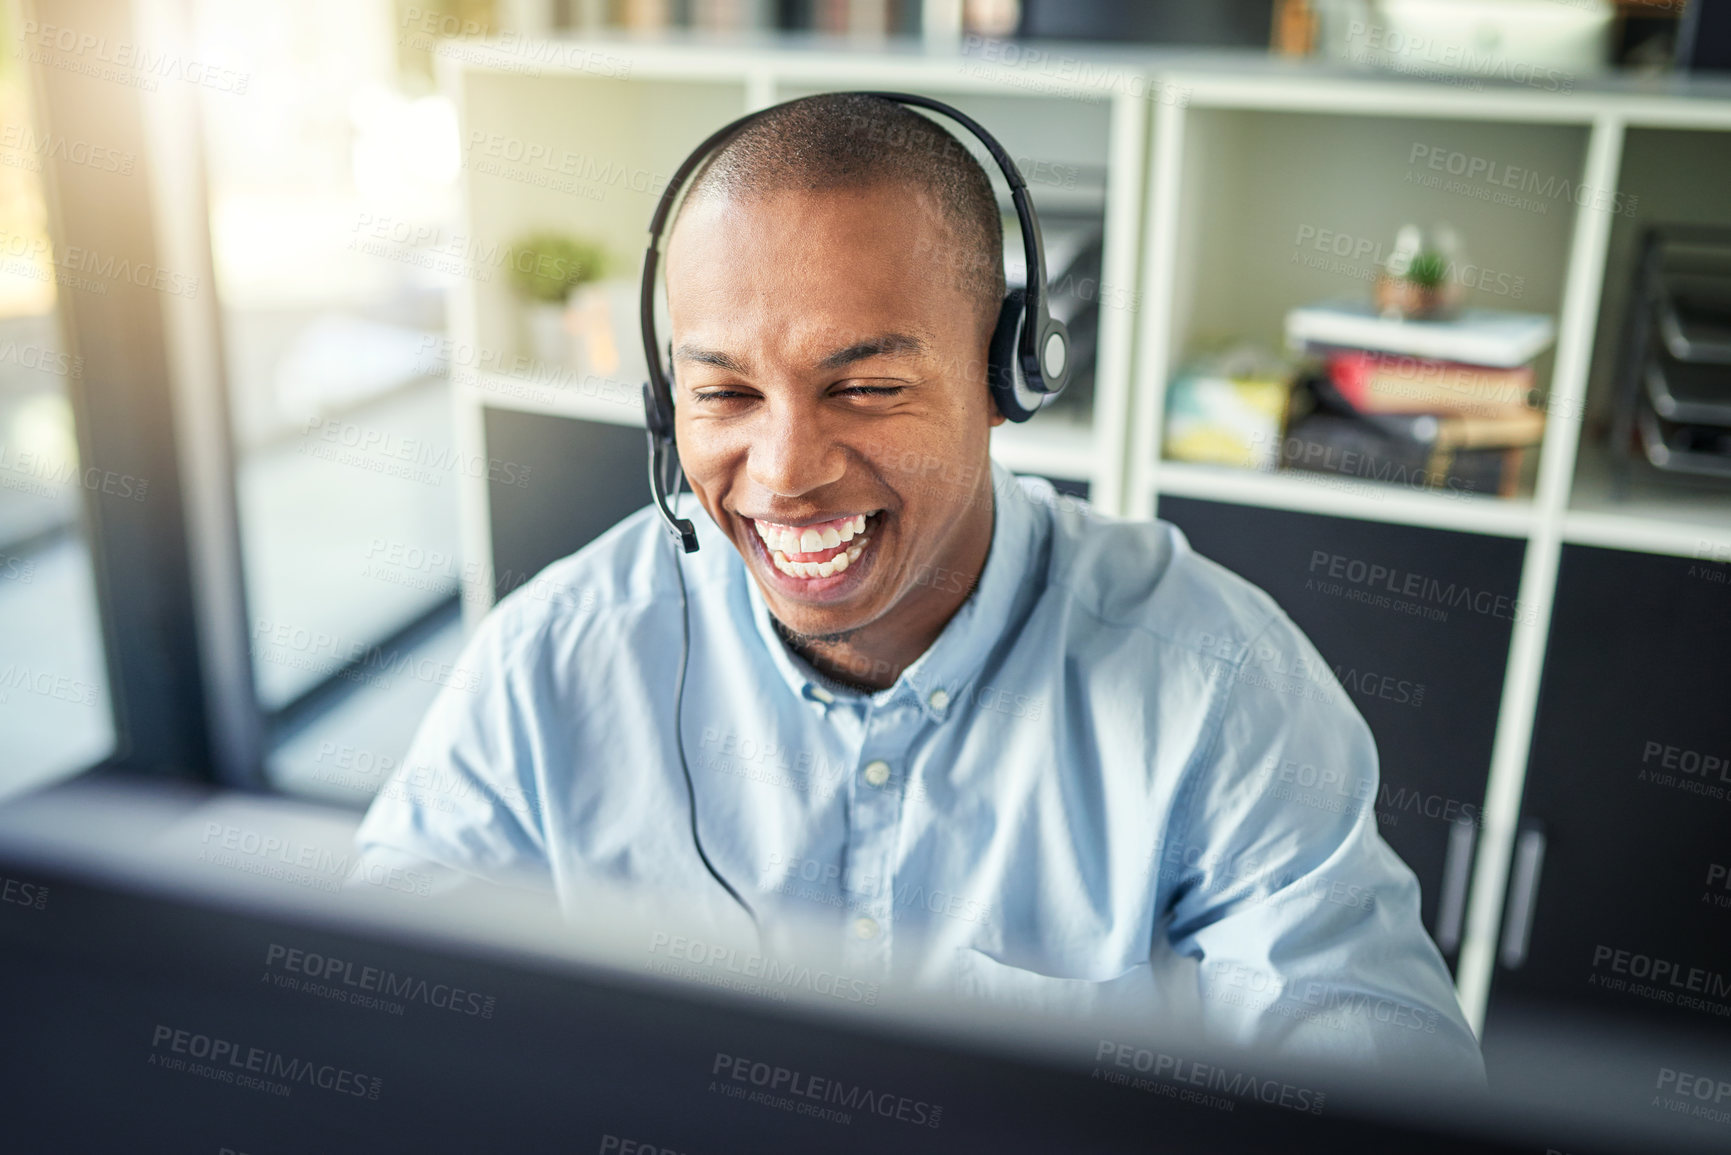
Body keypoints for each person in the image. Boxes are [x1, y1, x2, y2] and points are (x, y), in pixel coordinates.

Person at [353, 93, 1482, 1079]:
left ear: (1008, 377)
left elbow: (1377, 1073)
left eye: (867, 388)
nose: (786, 472)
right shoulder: (554, 658)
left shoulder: (1216, 686)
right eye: (726, 395)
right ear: (666, 403)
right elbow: (377, 1024)